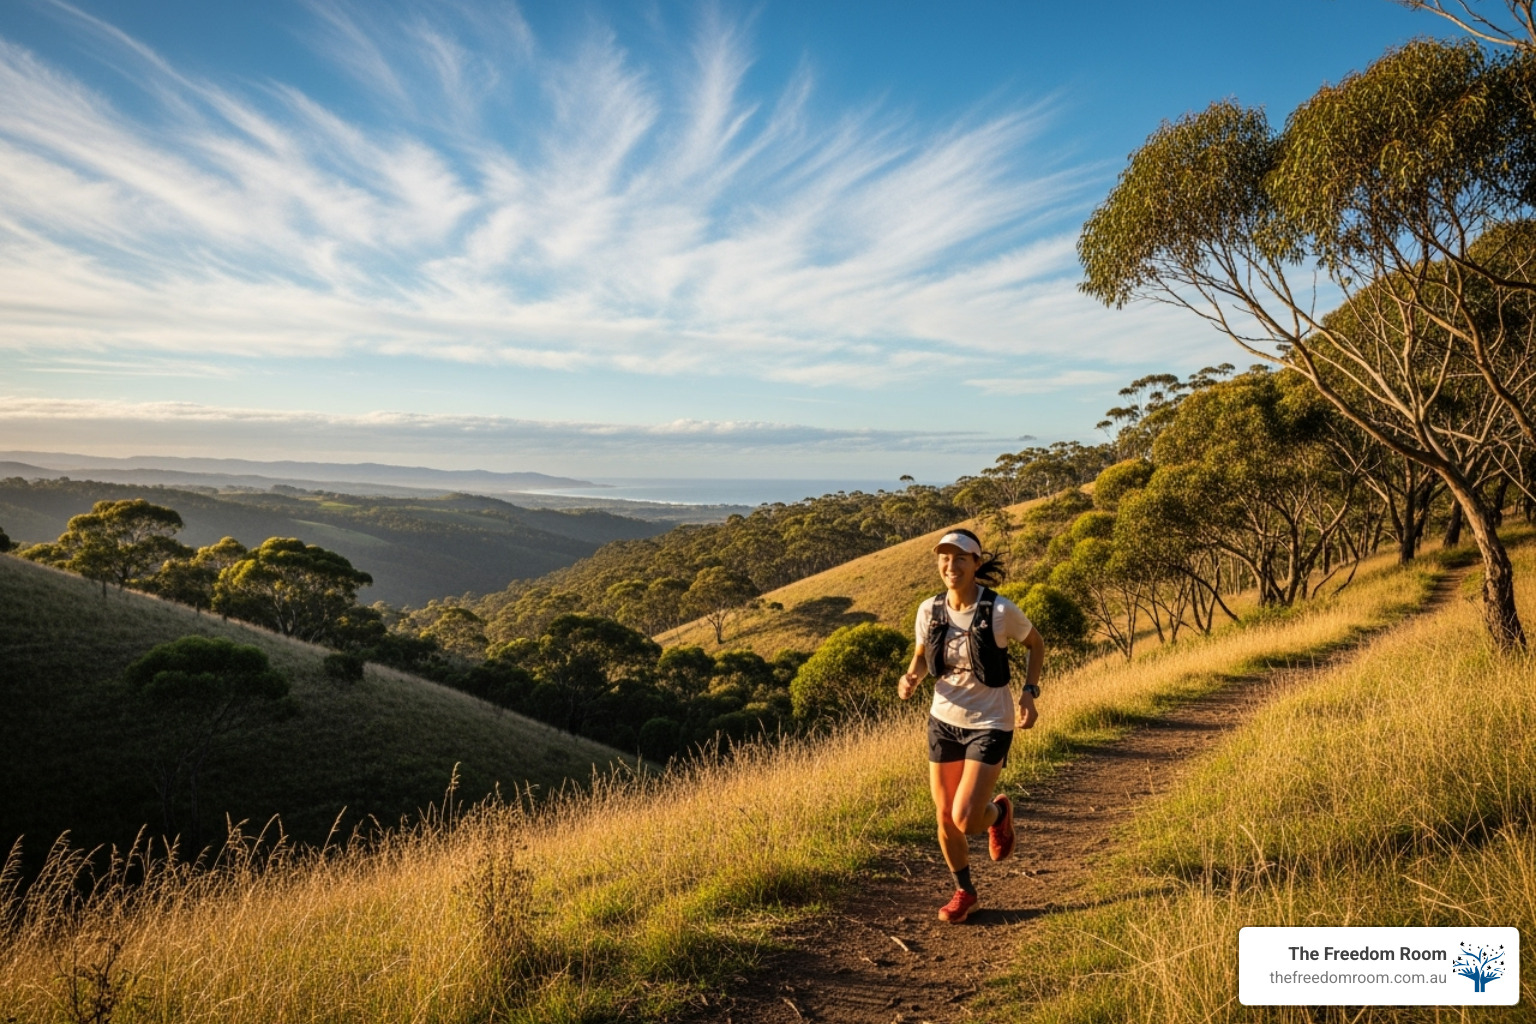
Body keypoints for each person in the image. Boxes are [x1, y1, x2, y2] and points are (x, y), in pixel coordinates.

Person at [897, 527, 1043, 924]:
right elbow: (923, 654)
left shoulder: (999, 611)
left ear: (976, 564)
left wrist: (1029, 691)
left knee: (965, 818)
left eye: (960, 558)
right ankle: (965, 892)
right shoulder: (929, 610)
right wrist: (910, 676)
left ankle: (998, 814)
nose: (951, 565)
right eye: (944, 557)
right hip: (943, 721)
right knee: (945, 817)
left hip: (991, 722)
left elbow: (1036, 644)